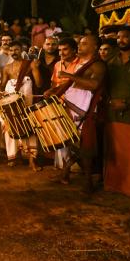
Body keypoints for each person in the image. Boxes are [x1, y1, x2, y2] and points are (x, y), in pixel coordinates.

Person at [52, 35, 106, 192]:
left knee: (85, 146)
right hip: (72, 106)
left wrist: (69, 76)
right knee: (73, 143)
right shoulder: (79, 64)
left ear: (94, 47)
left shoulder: (98, 66)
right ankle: (66, 172)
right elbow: (73, 85)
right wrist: (54, 90)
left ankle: (88, 180)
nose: (79, 46)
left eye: (84, 44)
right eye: (79, 43)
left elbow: (94, 85)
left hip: (85, 110)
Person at [104, 26, 130, 197]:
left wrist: (127, 103)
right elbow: (103, 84)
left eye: (125, 37)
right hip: (112, 113)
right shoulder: (110, 60)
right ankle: (114, 186)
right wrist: (109, 101)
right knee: (114, 153)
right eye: (119, 37)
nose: (120, 40)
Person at [0, 41, 42, 171]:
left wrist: (36, 68)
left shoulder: (30, 64)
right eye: (11, 50)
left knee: (29, 125)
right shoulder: (6, 68)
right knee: (10, 125)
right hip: (11, 102)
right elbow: (2, 85)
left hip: (27, 101)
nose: (14, 52)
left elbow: (39, 84)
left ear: (22, 50)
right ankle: (12, 156)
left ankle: (31, 159)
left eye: (16, 50)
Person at [44, 37, 81, 170]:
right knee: (62, 135)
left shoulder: (80, 64)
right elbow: (55, 84)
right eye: (59, 50)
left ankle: (76, 168)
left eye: (65, 49)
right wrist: (50, 91)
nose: (61, 53)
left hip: (77, 106)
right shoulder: (57, 65)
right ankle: (63, 167)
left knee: (76, 137)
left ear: (74, 50)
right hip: (60, 104)